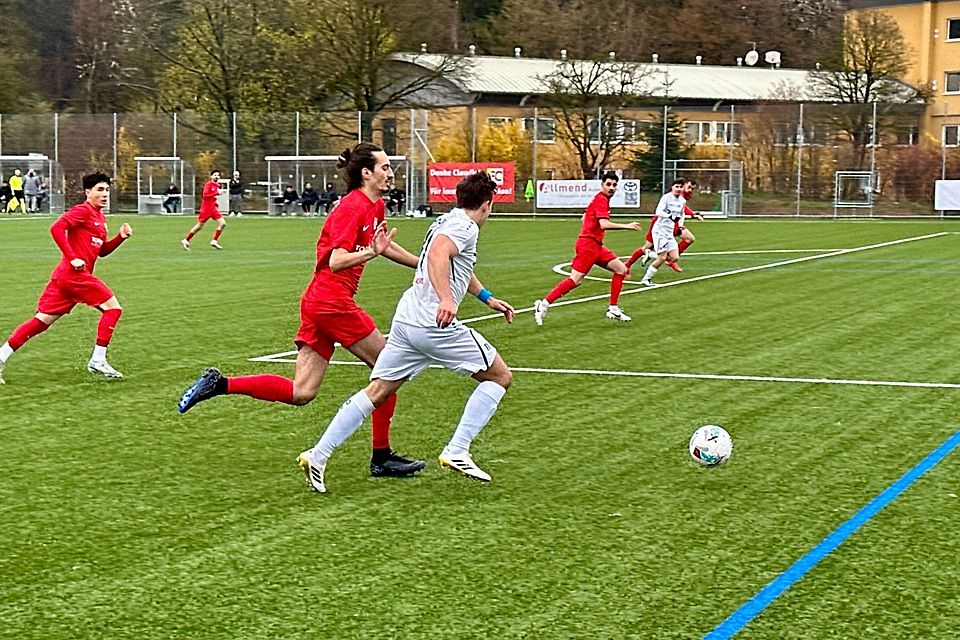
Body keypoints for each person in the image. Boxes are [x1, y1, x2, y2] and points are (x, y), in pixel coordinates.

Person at [177, 143, 426, 478]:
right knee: (390, 369)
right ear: (366, 173)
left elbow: (383, 245)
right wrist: (369, 254)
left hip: (318, 302)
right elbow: (337, 260)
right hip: (331, 301)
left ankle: (220, 384)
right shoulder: (352, 207)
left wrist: (420, 264)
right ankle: (381, 457)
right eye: (384, 167)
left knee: (302, 392)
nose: (390, 172)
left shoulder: (375, 206)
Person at [297, 171, 514, 493]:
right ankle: (457, 450)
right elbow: (439, 255)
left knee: (378, 391)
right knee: (499, 377)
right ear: (486, 204)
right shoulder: (465, 226)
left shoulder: (446, 220)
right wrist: (445, 299)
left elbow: (457, 266)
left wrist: (487, 298)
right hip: (432, 324)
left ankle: (318, 454)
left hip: (407, 320)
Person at [0, 172, 131, 384]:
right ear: (87, 192)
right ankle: (98, 360)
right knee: (113, 308)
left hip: (66, 278)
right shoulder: (82, 211)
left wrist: (121, 238)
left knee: (42, 321)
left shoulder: (99, 217)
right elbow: (57, 227)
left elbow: (102, 251)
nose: (105, 194)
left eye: (107, 190)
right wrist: (72, 258)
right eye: (100, 189)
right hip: (74, 276)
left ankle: (1, 356)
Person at [533, 171, 641, 326]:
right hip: (588, 246)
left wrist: (589, 225)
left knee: (621, 270)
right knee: (575, 280)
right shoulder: (601, 199)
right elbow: (603, 224)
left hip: (595, 245)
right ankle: (543, 304)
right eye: (608, 184)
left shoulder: (600, 199)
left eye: (614, 185)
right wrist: (627, 226)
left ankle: (613, 309)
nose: (611, 187)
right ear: (602, 185)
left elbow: (584, 217)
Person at [624, 179, 703, 273]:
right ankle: (627, 265)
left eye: (692, 189)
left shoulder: (682, 197)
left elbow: (681, 209)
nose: (690, 190)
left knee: (689, 238)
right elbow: (682, 208)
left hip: (673, 224)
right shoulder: (674, 194)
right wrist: (693, 214)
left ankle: (671, 260)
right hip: (661, 224)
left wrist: (681, 225)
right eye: (689, 187)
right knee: (647, 247)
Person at [639, 179, 687, 287]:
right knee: (662, 257)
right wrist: (670, 216)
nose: (679, 189)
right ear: (672, 187)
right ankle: (646, 279)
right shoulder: (666, 198)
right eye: (677, 186)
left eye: (681, 187)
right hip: (660, 230)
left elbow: (682, 214)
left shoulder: (682, 201)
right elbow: (658, 212)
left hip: (669, 232)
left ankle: (650, 254)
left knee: (675, 257)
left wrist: (680, 225)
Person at [181, 170, 225, 250]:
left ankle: (214, 241)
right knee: (199, 226)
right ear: (211, 176)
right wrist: (216, 193)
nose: (216, 177)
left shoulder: (217, 185)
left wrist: (215, 202)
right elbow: (205, 196)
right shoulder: (208, 184)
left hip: (213, 208)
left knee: (222, 223)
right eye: (215, 175)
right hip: (206, 209)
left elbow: (212, 197)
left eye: (218, 175)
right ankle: (186, 240)